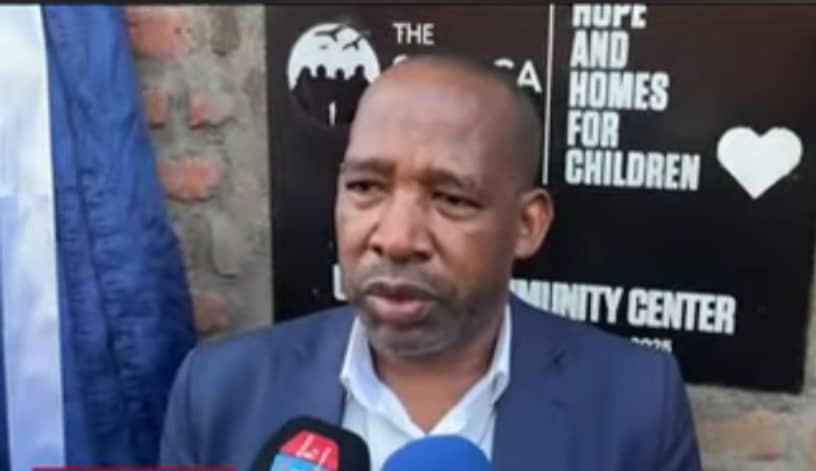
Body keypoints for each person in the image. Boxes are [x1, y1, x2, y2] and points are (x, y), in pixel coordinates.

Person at [159, 52, 702, 471]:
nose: (396, 239)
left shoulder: (636, 406)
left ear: (527, 225)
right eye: (366, 187)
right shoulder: (219, 394)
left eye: (451, 198)